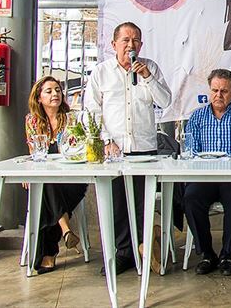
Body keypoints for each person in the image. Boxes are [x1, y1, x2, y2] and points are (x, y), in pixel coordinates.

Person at [84, 21, 172, 275]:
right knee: (118, 204)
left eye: (135, 41)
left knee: (143, 203)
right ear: (114, 44)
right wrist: (105, 140)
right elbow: (91, 111)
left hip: (144, 148)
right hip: (114, 149)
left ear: (141, 45)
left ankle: (144, 247)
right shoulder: (101, 72)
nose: (130, 45)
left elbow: (165, 101)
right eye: (125, 40)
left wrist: (147, 78)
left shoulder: (150, 68)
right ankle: (123, 254)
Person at [182, 69, 231, 276]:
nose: (218, 95)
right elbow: (191, 150)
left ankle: (226, 254)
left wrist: (220, 157)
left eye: (224, 91)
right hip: (205, 177)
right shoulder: (197, 116)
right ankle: (207, 253)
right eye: (215, 90)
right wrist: (212, 158)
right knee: (190, 198)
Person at [25, 76, 87, 274]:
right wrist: (27, 173)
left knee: (44, 184)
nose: (55, 94)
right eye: (49, 91)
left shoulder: (71, 118)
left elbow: (77, 150)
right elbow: (34, 154)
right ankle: (65, 230)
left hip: (72, 179)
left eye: (58, 90)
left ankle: (48, 254)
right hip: (49, 181)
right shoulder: (32, 121)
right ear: (38, 97)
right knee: (45, 182)